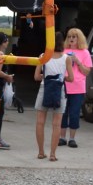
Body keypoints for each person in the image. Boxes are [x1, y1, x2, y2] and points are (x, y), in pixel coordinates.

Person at [33, 31, 75, 162]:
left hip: (44, 88)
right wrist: (60, 77)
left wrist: (47, 77)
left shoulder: (43, 56)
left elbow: (36, 77)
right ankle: (52, 154)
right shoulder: (67, 58)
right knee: (56, 124)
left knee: (40, 122)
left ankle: (41, 152)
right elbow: (71, 78)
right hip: (59, 90)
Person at [60, 27, 93, 148]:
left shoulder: (85, 52)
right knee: (63, 112)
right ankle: (62, 137)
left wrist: (78, 61)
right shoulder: (63, 51)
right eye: (69, 36)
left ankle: (72, 138)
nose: (71, 39)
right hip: (64, 85)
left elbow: (87, 72)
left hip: (78, 88)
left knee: (74, 113)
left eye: (74, 37)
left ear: (79, 39)